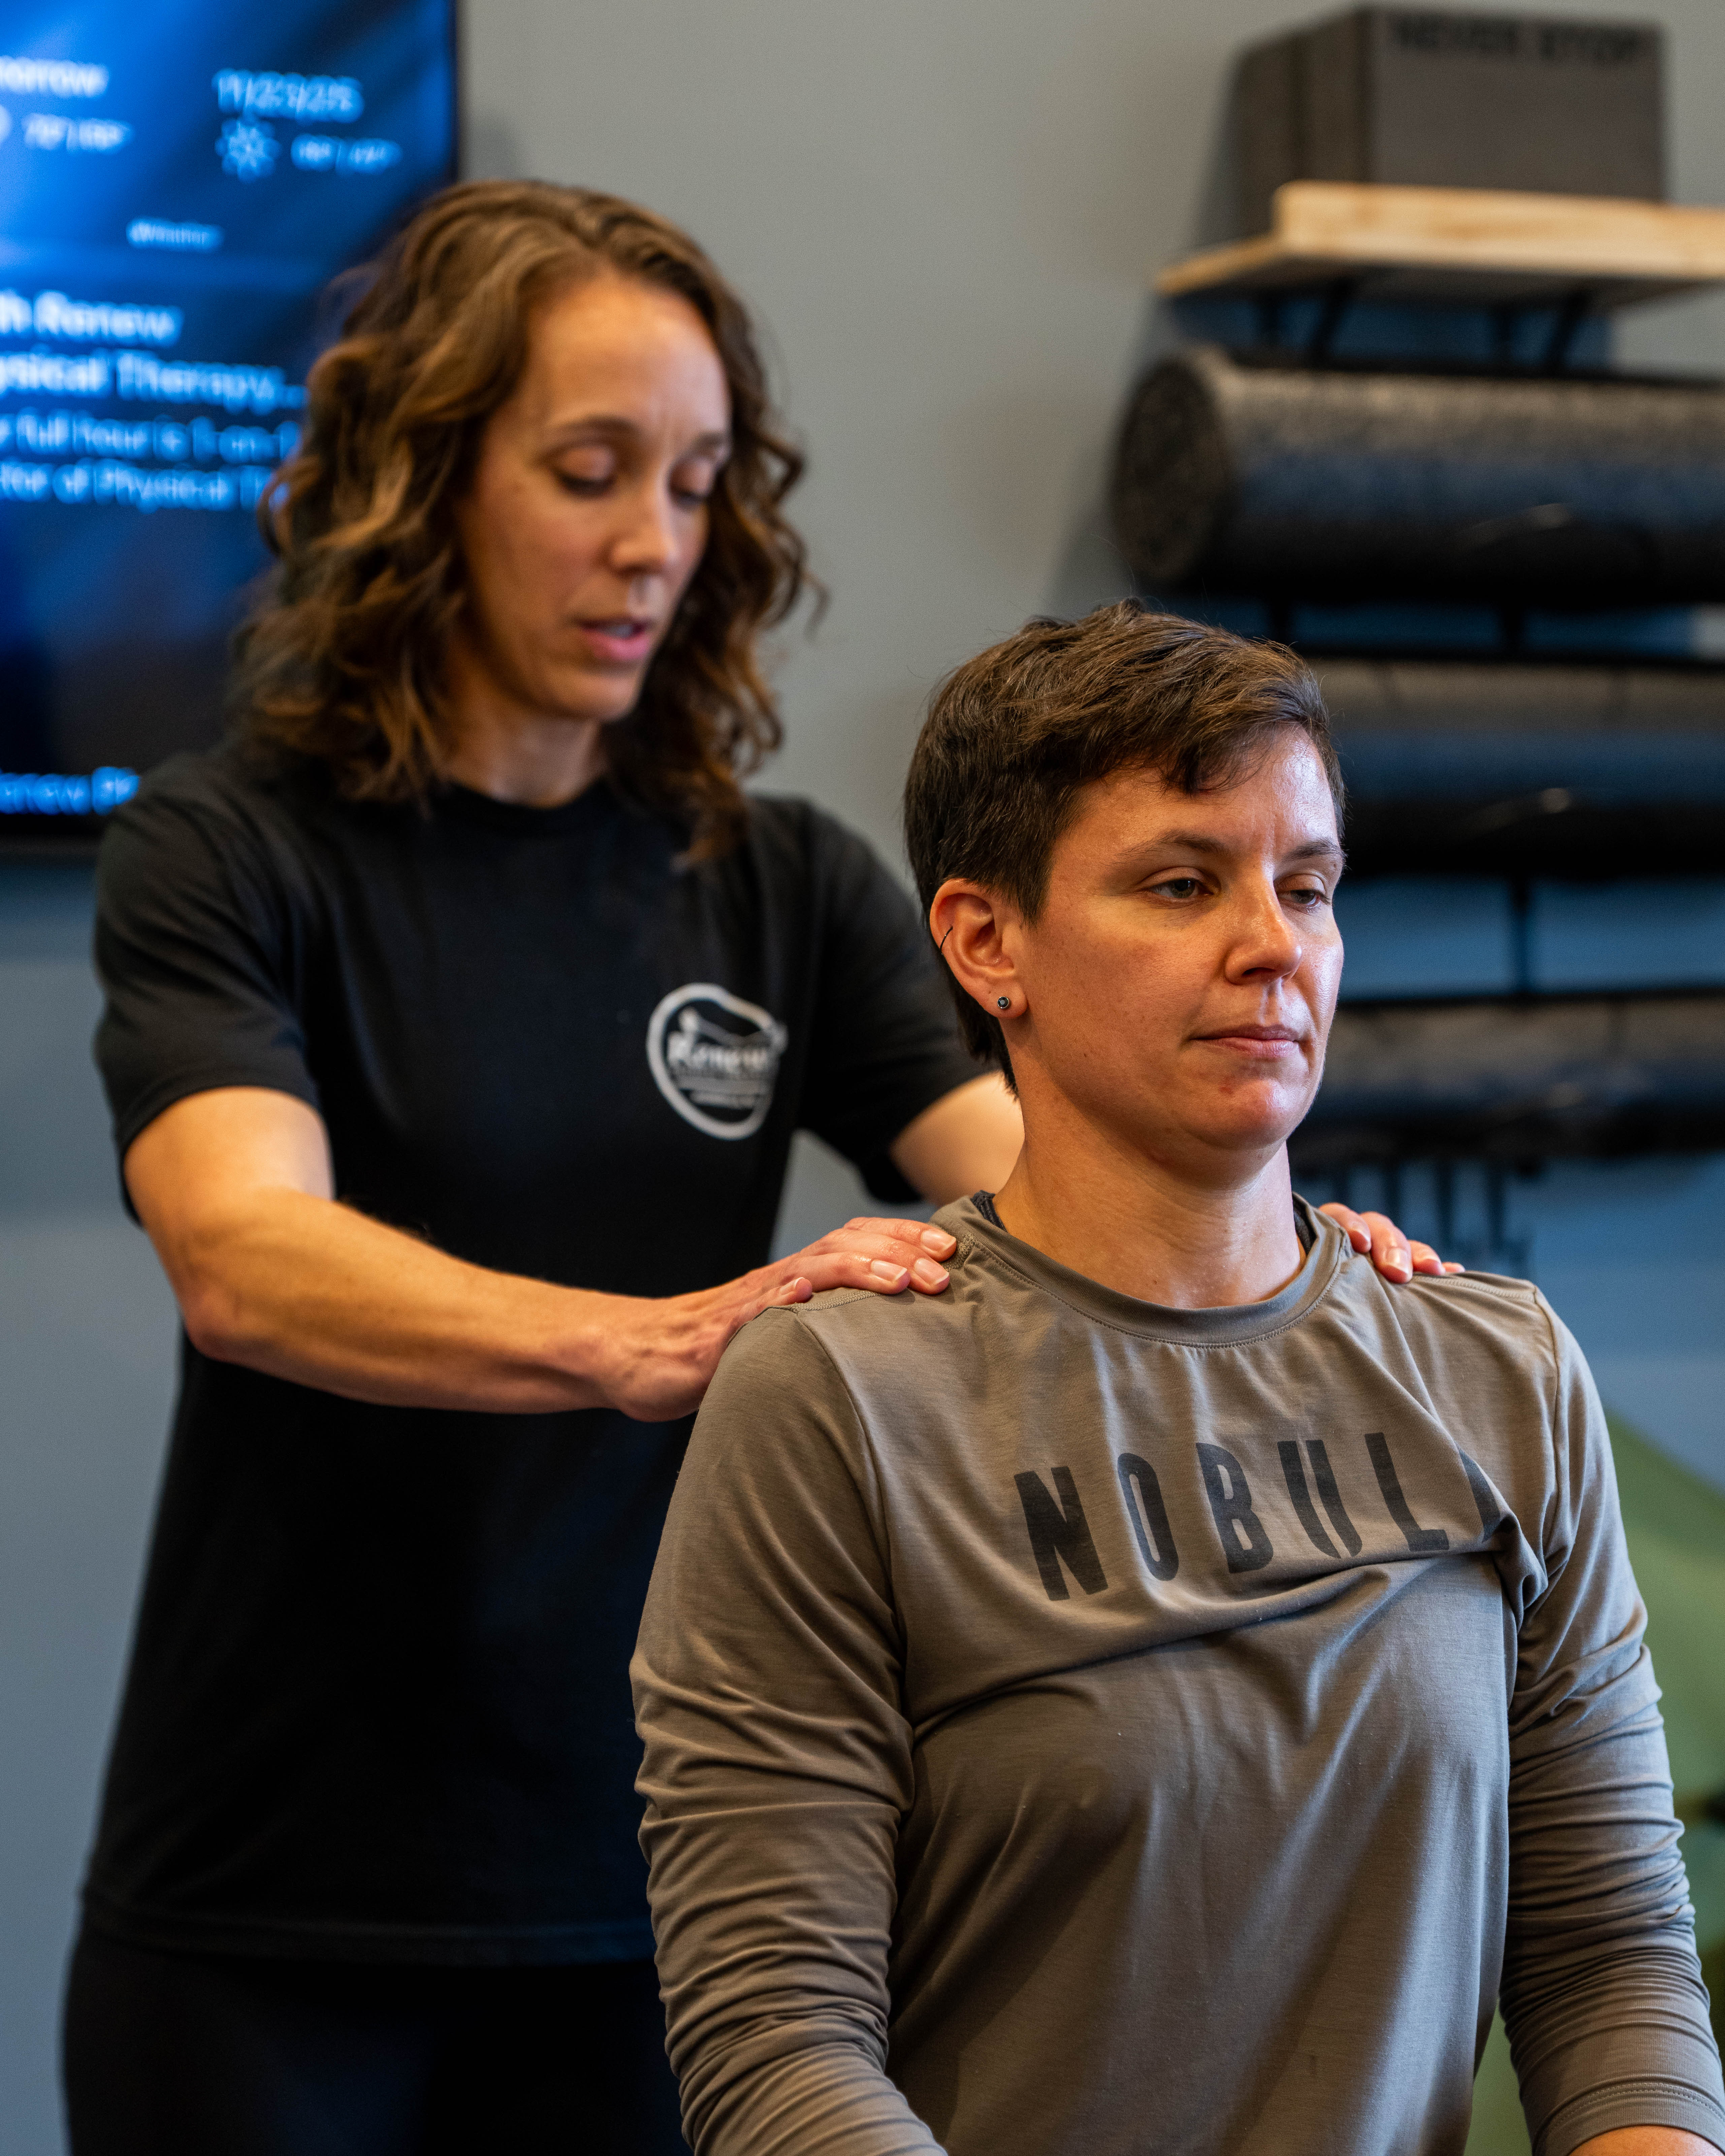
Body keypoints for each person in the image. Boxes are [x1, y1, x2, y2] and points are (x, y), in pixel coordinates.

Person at [64, 184, 1441, 2152]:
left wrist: (1284, 1260)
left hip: (668, 1884)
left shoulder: (775, 882)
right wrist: (644, 1346)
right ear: (429, 479)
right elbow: (247, 1252)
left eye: (698, 484)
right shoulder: (232, 850)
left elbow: (1056, 1185)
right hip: (280, 1898)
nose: (652, 544)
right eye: (590, 471)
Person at [633, 604, 1725, 2156]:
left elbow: (1610, 1953)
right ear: (985, 940)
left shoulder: (1499, 1367)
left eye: (1309, 885)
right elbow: (777, 2040)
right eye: (1181, 881)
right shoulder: (841, 1399)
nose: (1274, 944)